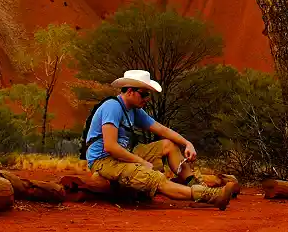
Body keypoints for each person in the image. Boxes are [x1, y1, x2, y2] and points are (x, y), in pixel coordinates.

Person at [83, 69, 238, 210]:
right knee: (155, 178)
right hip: (103, 161)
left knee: (168, 145)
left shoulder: (134, 110)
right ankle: (210, 196)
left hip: (123, 155)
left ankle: (197, 185)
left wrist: (187, 143)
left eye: (148, 95)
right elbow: (110, 146)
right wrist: (141, 162)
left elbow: (163, 130)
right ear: (130, 91)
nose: (147, 99)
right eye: (144, 94)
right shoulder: (112, 107)